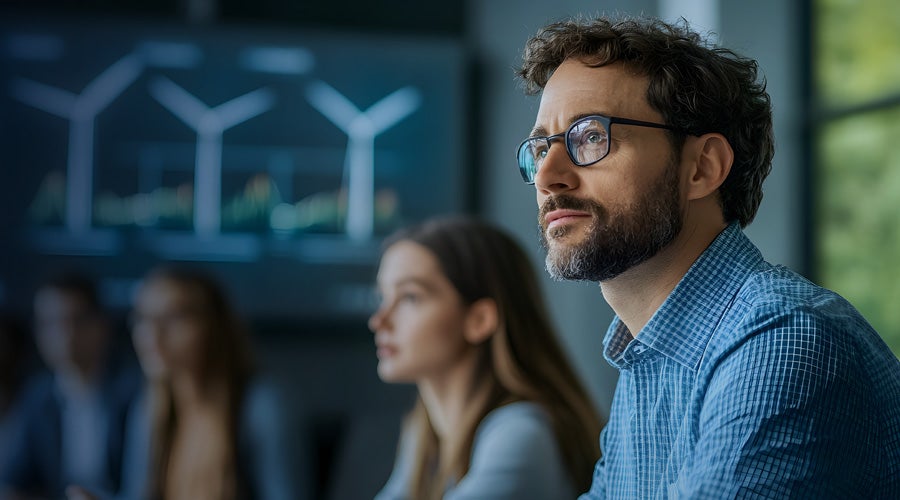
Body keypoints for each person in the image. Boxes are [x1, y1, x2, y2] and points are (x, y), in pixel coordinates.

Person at [515, 15, 900, 499]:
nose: (548, 175)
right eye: (540, 145)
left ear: (702, 168)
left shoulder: (783, 340)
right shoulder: (649, 359)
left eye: (591, 136)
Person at [369, 215, 602, 500]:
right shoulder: (424, 436)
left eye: (410, 298)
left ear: (479, 319)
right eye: (382, 297)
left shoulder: (522, 433)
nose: (379, 321)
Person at [74, 266, 301, 500]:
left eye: (173, 317)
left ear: (213, 326)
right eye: (143, 318)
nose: (153, 333)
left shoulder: (260, 405)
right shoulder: (149, 408)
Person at [0, 273, 139, 500]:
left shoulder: (135, 391)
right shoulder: (38, 396)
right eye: (50, 323)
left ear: (101, 325)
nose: (65, 335)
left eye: (76, 320)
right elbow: (14, 480)